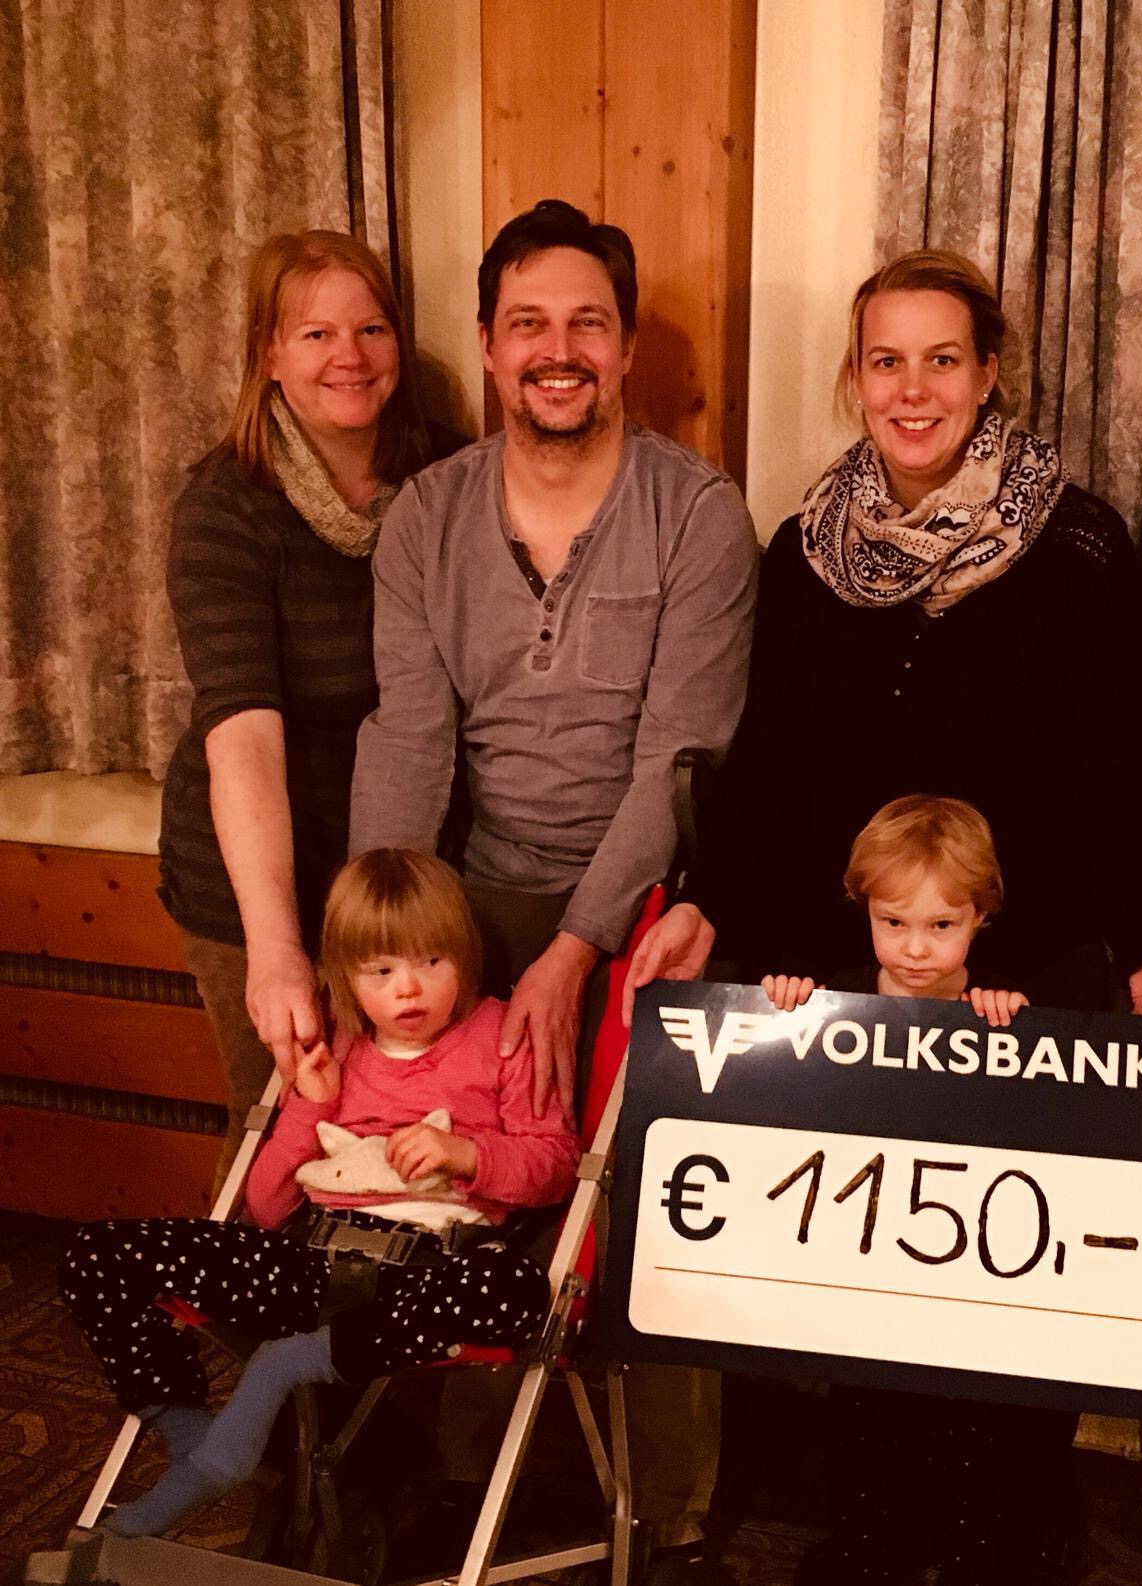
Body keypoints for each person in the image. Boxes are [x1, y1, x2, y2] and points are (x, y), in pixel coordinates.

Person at [347, 199, 758, 1581]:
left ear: (626, 348)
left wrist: (579, 947)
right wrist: (376, 949)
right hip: (474, 896)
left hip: (652, 909)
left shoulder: (696, 513)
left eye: (587, 321)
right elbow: (411, 735)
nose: (557, 348)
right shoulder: (427, 515)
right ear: (487, 343)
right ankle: (479, 1474)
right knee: (468, 1178)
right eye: (528, 322)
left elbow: (680, 757)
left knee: (650, 1196)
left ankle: (670, 1507)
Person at [626, 247, 1142, 1049]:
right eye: (887, 361)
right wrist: (706, 903)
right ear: (857, 379)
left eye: (942, 360)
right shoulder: (806, 550)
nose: (913, 389)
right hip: (829, 984)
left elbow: (1116, 777)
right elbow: (770, 761)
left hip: (1024, 985)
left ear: (986, 374)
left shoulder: (1080, 548)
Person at [60, 847, 580, 1539]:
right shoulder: (339, 1043)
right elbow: (268, 1208)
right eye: (381, 971)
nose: (409, 989)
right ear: (344, 976)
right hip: (312, 1260)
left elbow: (556, 1164)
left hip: (432, 1269)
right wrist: (312, 1104)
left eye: (432, 962)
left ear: (465, 955)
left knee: (521, 1290)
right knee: (97, 1252)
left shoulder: (502, 1036)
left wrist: (469, 1154)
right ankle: (188, 1432)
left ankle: (286, 1366)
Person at [157, 231, 433, 1185]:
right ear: (268, 353)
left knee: (402, 1128)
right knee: (280, 1131)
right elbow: (242, 738)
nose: (348, 356)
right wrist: (275, 950)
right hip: (255, 875)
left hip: (391, 862)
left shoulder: (443, 473)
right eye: (315, 334)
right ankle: (241, 1286)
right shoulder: (225, 507)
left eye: (370, 329)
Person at [762, 794, 1057, 1586]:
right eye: (893, 922)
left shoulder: (999, 1006)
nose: (916, 948)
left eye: (941, 925)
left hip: (965, 1275)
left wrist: (1014, 1022)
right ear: (864, 909)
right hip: (866, 1266)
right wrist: (784, 1007)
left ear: (980, 916)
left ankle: (969, 1553)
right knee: (865, 1413)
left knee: (971, 1424)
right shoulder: (837, 996)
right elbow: (784, 1094)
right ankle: (869, 1547)